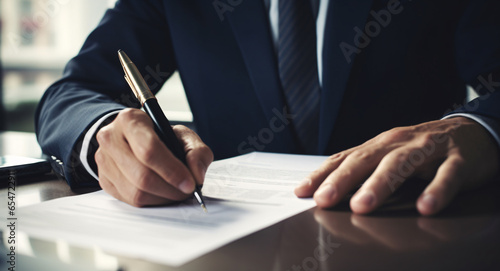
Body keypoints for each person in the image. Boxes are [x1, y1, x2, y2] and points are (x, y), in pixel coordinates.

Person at [36, 0, 500, 216]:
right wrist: (104, 132)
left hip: (412, 233)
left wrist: (479, 126)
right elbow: (71, 93)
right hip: (228, 248)